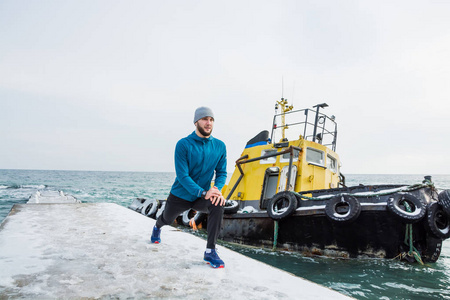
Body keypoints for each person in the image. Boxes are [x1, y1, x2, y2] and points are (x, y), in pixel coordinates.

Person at [151, 106, 227, 269]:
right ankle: (157, 227)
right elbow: (182, 176)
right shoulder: (183, 144)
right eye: (205, 119)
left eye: (211, 119)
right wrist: (203, 192)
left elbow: (221, 173)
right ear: (196, 122)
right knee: (167, 219)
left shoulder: (220, 146)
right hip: (180, 195)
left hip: (202, 197)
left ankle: (210, 251)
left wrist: (216, 190)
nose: (208, 123)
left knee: (218, 204)